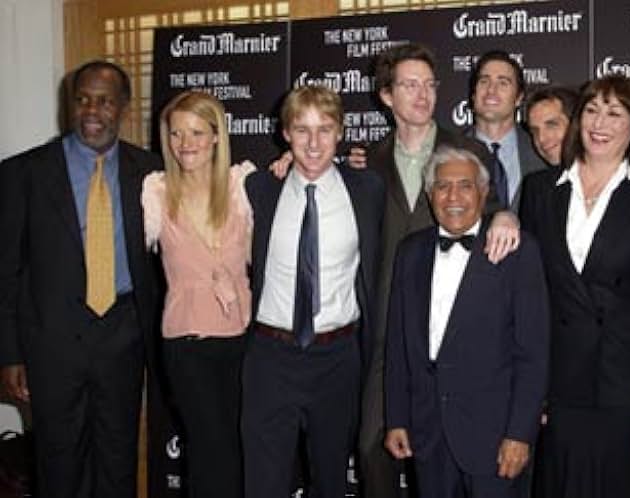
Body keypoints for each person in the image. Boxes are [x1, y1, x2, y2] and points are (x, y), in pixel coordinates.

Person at [358, 42, 520, 498]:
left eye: (429, 85)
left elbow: (497, 216)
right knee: (373, 450)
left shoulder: (467, 152)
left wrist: (507, 214)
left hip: (448, 343)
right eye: (410, 85)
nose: (423, 95)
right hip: (380, 339)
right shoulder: (366, 164)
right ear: (387, 96)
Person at [0, 61, 161, 498]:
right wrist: (10, 354)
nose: (93, 109)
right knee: (58, 460)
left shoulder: (151, 171)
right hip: (51, 340)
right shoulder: (22, 174)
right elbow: (7, 271)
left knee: (118, 456)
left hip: (123, 336)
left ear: (123, 107)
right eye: (83, 99)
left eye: (105, 100)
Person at [519, 74, 630, 498]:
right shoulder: (539, 191)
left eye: (615, 113)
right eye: (591, 110)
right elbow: (532, 299)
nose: (600, 123)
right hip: (560, 384)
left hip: (626, 384)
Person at [241, 84, 384, 498]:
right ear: (285, 133)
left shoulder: (368, 190)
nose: (314, 142)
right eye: (301, 130)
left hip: (337, 359)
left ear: (340, 131)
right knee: (264, 483)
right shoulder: (258, 190)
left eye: (324, 128)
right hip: (271, 357)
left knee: (331, 480)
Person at [384, 145, 549, 498]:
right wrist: (397, 417)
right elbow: (398, 346)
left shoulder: (517, 251)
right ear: (430, 195)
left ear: (484, 192)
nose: (453, 197)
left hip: (495, 437)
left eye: (465, 186)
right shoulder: (410, 252)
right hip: (428, 434)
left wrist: (520, 433)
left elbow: (533, 353)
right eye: (442, 187)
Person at [141, 90, 253, 498]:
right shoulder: (155, 192)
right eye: (175, 133)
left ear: (216, 136)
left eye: (196, 132)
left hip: (241, 340)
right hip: (186, 342)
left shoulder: (242, 187)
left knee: (239, 445)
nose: (185, 143)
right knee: (210, 448)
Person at [465, 50, 547, 212]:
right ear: (473, 95)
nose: (491, 90)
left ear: (518, 98)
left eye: (503, 83)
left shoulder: (542, 150)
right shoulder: (450, 151)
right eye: (484, 81)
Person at [525, 84, 579, 169]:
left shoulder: (606, 178)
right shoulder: (536, 181)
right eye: (535, 131)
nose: (541, 138)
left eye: (551, 125)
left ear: (577, 124)